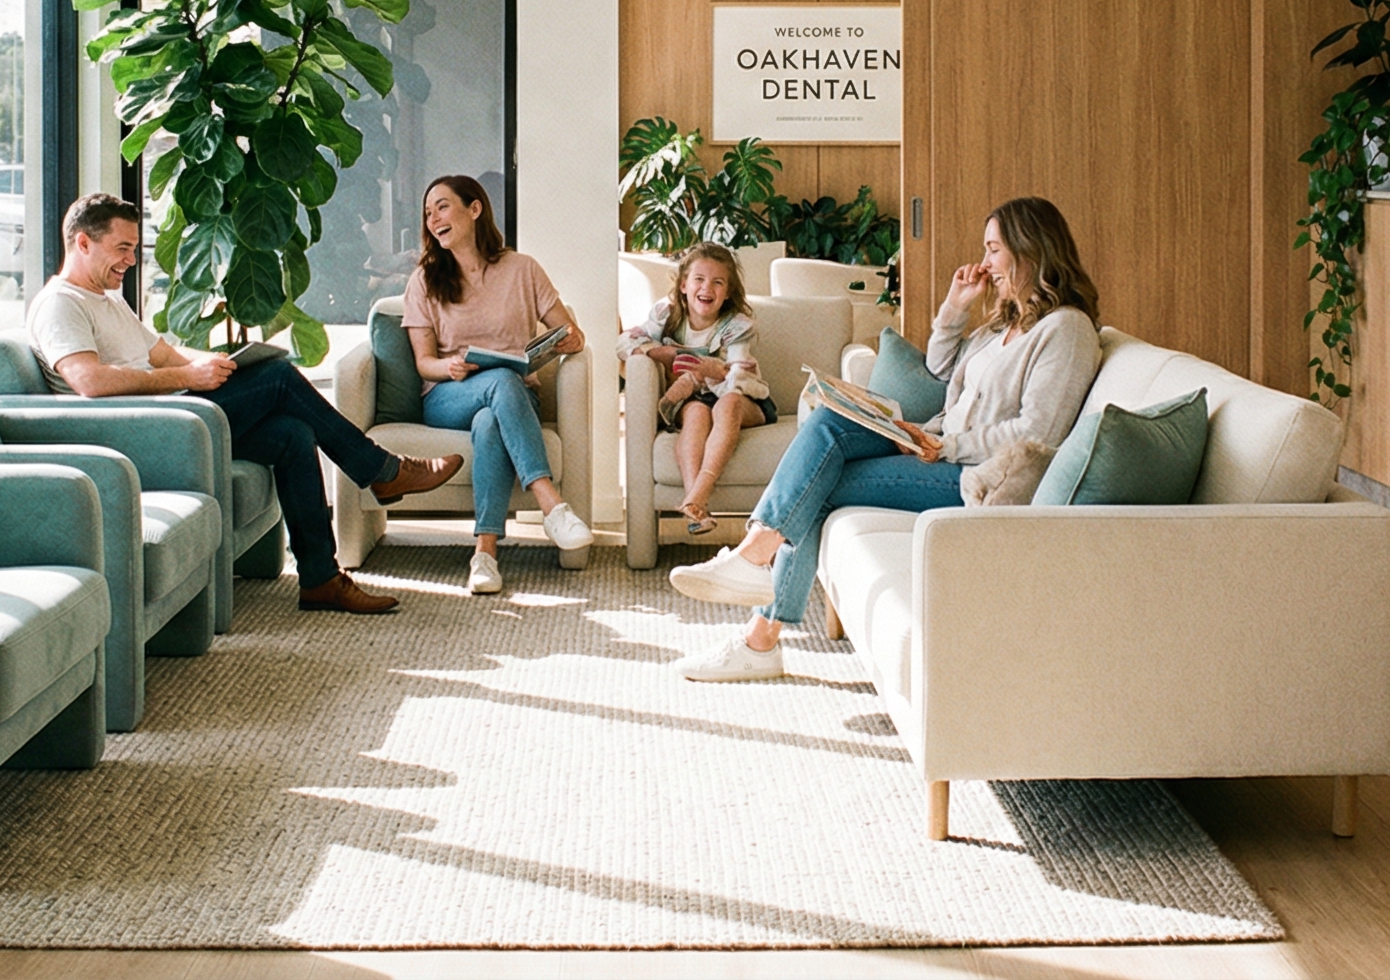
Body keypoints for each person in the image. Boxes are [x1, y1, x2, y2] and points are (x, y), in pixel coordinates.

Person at [667, 196, 1101, 681]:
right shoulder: (1005, 323)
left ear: (1031, 249)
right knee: (830, 422)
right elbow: (939, 371)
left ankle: (757, 613)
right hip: (938, 448)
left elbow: (1038, 432)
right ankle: (755, 576)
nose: (985, 263)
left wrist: (946, 447)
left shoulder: (1067, 329)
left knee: (820, 484)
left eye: (995, 250)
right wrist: (955, 309)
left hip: (977, 478)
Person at [28, 193, 462, 615]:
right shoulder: (59, 305)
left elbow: (163, 355)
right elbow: (89, 381)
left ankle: (320, 579)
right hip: (144, 435)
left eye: (133, 248)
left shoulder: (106, 300)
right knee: (278, 379)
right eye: (121, 248)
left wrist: (217, 361)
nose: (131, 259)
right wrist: (186, 377)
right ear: (83, 243)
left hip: (175, 419)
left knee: (293, 434)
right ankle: (382, 471)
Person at [403, 174, 595, 594]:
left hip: (510, 396)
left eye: (443, 206)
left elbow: (567, 331)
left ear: (475, 209)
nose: (434, 218)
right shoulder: (424, 280)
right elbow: (423, 364)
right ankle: (552, 505)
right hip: (448, 395)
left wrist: (570, 339)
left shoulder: (522, 269)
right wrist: (449, 366)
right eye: (428, 211)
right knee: (501, 383)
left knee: (493, 416)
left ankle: (484, 554)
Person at [619, 242, 772, 535]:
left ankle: (698, 493)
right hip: (693, 401)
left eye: (718, 282)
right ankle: (694, 507)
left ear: (727, 292)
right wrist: (658, 353)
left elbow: (739, 378)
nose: (707, 288)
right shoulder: (665, 316)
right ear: (684, 285)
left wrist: (713, 373)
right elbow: (624, 343)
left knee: (727, 403)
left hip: (741, 399)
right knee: (697, 413)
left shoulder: (737, 326)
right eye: (699, 280)